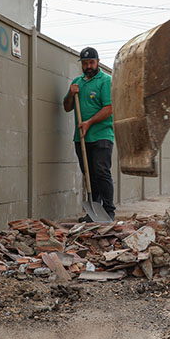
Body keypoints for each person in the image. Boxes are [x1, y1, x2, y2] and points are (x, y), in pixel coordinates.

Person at [62, 47, 115, 220]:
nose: (88, 66)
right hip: (82, 137)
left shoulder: (105, 81)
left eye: (91, 62)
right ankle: (94, 212)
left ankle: (108, 211)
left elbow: (109, 108)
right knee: (89, 175)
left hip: (102, 135)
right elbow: (67, 107)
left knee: (101, 171)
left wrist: (89, 123)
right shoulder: (77, 82)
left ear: (98, 62)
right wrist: (71, 93)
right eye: (85, 63)